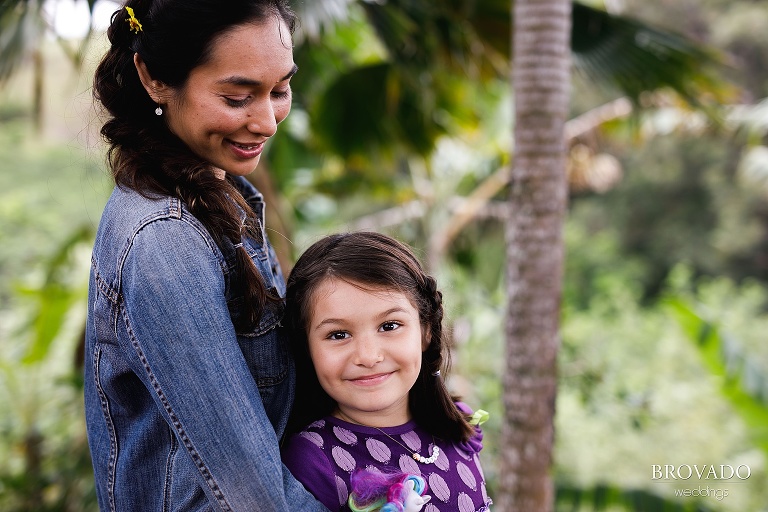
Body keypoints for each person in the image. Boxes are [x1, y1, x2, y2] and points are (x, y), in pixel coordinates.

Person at [84, 1, 329, 510]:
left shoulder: (222, 196)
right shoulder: (164, 241)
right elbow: (250, 493)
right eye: (238, 97)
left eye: (280, 90)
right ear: (153, 79)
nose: (267, 121)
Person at [281, 232, 493, 512]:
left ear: (426, 330)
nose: (368, 357)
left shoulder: (457, 428)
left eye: (389, 326)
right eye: (338, 334)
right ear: (307, 348)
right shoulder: (312, 460)